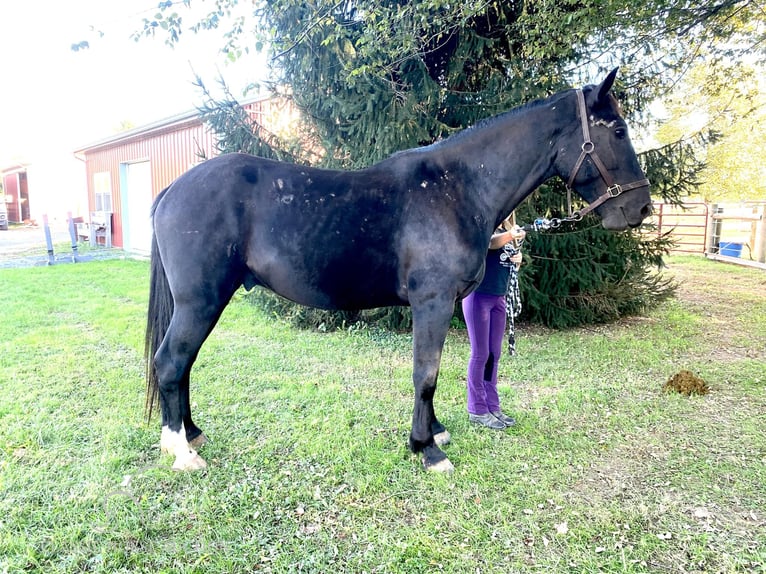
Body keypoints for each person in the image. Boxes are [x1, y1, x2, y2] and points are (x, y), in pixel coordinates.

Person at [462, 217, 526, 429]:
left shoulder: (508, 230)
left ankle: (493, 405)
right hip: (478, 296)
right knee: (480, 354)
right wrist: (511, 235)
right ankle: (477, 409)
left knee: (494, 354)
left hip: (499, 297)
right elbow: (490, 243)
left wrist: (517, 258)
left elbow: (506, 255)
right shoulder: (484, 225)